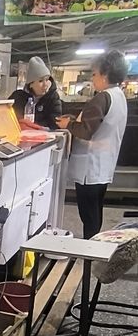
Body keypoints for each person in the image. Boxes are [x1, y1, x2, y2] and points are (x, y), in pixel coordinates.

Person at [56, 50, 128, 239]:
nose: (92, 78)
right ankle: (94, 243)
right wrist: (74, 120)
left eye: (94, 74)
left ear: (105, 75)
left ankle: (89, 247)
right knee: (95, 211)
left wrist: (68, 124)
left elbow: (86, 131)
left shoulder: (102, 97)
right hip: (103, 165)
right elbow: (99, 123)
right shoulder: (118, 96)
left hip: (90, 166)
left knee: (88, 214)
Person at [9, 56, 62, 130]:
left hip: (44, 135)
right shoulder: (18, 97)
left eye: (47, 80)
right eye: (40, 81)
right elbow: (8, 117)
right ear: (31, 84)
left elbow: (55, 122)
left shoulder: (53, 97)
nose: (45, 84)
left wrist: (34, 126)